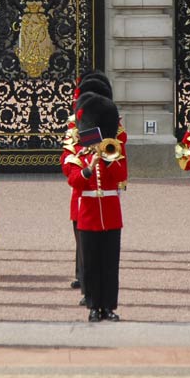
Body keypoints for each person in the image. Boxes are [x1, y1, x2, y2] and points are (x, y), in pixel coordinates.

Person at [65, 94, 126, 322]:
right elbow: (73, 180)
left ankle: (108, 306)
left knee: (110, 263)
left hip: (110, 214)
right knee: (90, 263)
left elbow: (122, 175)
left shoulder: (114, 150)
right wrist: (89, 167)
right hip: (88, 214)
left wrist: (108, 159)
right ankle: (93, 305)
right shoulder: (76, 154)